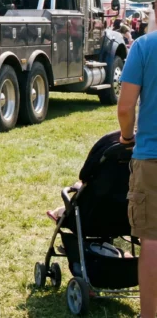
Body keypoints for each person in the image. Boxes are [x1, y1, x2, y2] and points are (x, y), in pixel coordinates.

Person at [118, 28, 157, 316]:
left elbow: (125, 107)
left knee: (152, 239)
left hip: (151, 156)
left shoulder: (144, 47)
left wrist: (127, 137)